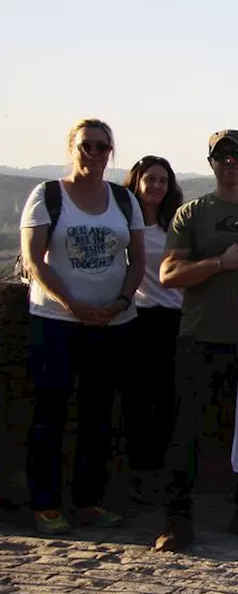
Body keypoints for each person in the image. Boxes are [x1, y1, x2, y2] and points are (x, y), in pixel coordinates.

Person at [154, 129, 238, 551]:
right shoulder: (192, 213)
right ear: (211, 162)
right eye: (221, 155)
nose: (230, 161)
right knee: (187, 434)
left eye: (237, 154)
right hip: (201, 338)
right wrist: (218, 262)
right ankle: (176, 521)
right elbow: (169, 275)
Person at [20, 119, 145, 535]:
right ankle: (45, 504)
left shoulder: (124, 200)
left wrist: (122, 302)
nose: (93, 154)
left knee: (98, 415)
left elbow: (138, 261)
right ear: (71, 148)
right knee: (50, 414)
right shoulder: (47, 195)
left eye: (102, 147)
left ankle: (89, 501)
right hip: (57, 322)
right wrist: (72, 304)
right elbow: (35, 259)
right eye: (86, 146)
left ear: (112, 152)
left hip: (112, 323)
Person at [122, 155, 184, 506]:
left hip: (174, 318)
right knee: (136, 400)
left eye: (163, 180)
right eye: (151, 179)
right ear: (137, 182)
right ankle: (139, 474)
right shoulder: (123, 225)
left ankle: (162, 473)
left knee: (168, 401)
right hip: (139, 316)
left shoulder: (175, 225)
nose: (157, 186)